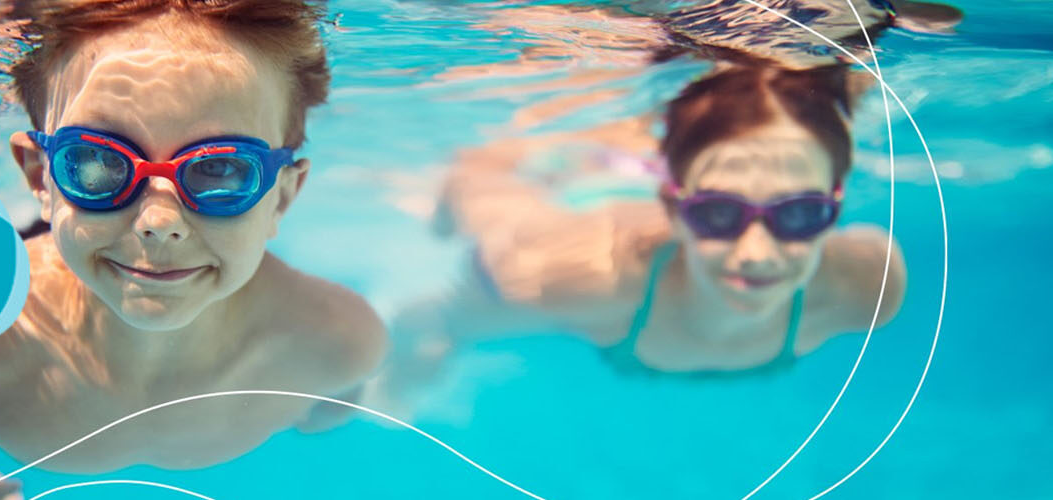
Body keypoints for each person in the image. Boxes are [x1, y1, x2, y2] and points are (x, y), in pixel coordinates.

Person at [0, 2, 386, 498]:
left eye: (221, 167)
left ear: (282, 198)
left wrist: (318, 410)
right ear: (40, 178)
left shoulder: (337, 341)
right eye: (97, 161)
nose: (159, 222)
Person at [372, 63, 907, 411]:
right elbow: (475, 187)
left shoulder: (869, 287)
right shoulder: (568, 277)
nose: (757, 252)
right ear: (674, 209)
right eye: (718, 214)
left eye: (799, 214)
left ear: (834, 207)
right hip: (582, 237)